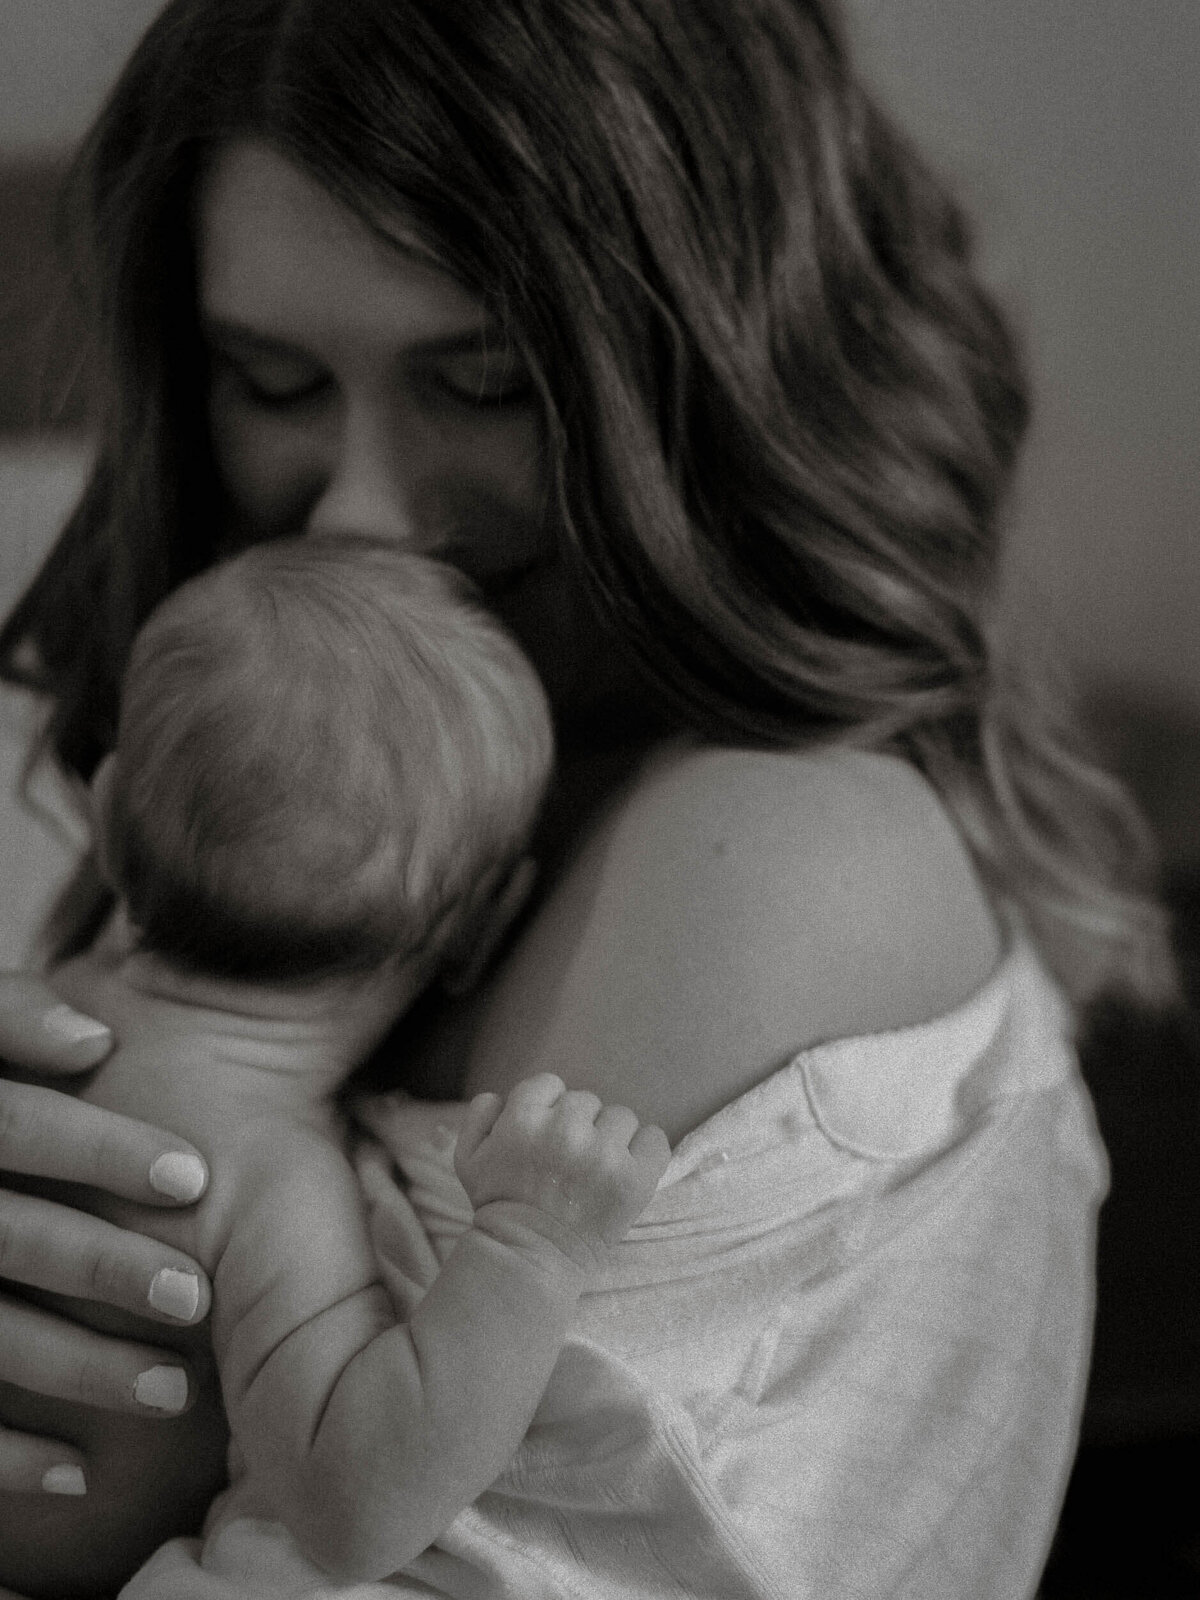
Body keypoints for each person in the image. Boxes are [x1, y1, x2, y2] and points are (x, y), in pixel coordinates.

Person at [0, 0, 1174, 1595]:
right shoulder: (310, 809)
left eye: (481, 382)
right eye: (270, 379)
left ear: (726, 375)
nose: (359, 514)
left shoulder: (759, 849)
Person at [0, 533, 668, 1597]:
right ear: (481, 928)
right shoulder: (264, 1181)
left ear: (114, 818)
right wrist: (530, 1249)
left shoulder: (30, 1027)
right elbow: (356, 1509)